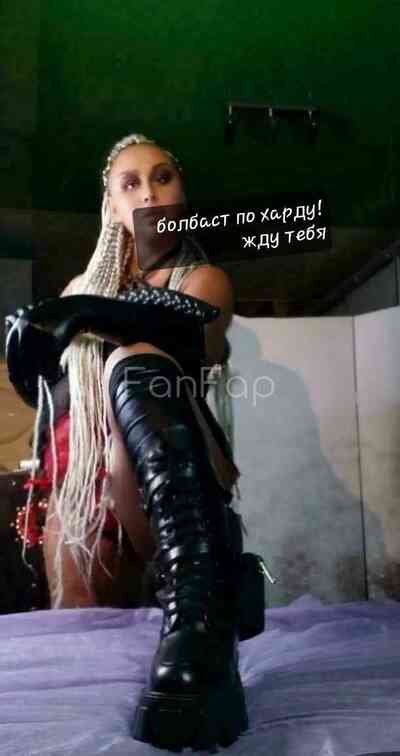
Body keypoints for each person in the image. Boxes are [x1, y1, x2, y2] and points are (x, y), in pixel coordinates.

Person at [5, 132, 260, 750]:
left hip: (158, 478)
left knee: (135, 357)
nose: (149, 192)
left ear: (182, 191)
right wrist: (29, 357)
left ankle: (205, 598)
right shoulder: (80, 287)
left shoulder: (203, 278)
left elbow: (193, 334)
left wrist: (94, 317)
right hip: (80, 482)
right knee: (85, 655)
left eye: (163, 176)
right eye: (131, 183)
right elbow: (52, 397)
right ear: (112, 205)